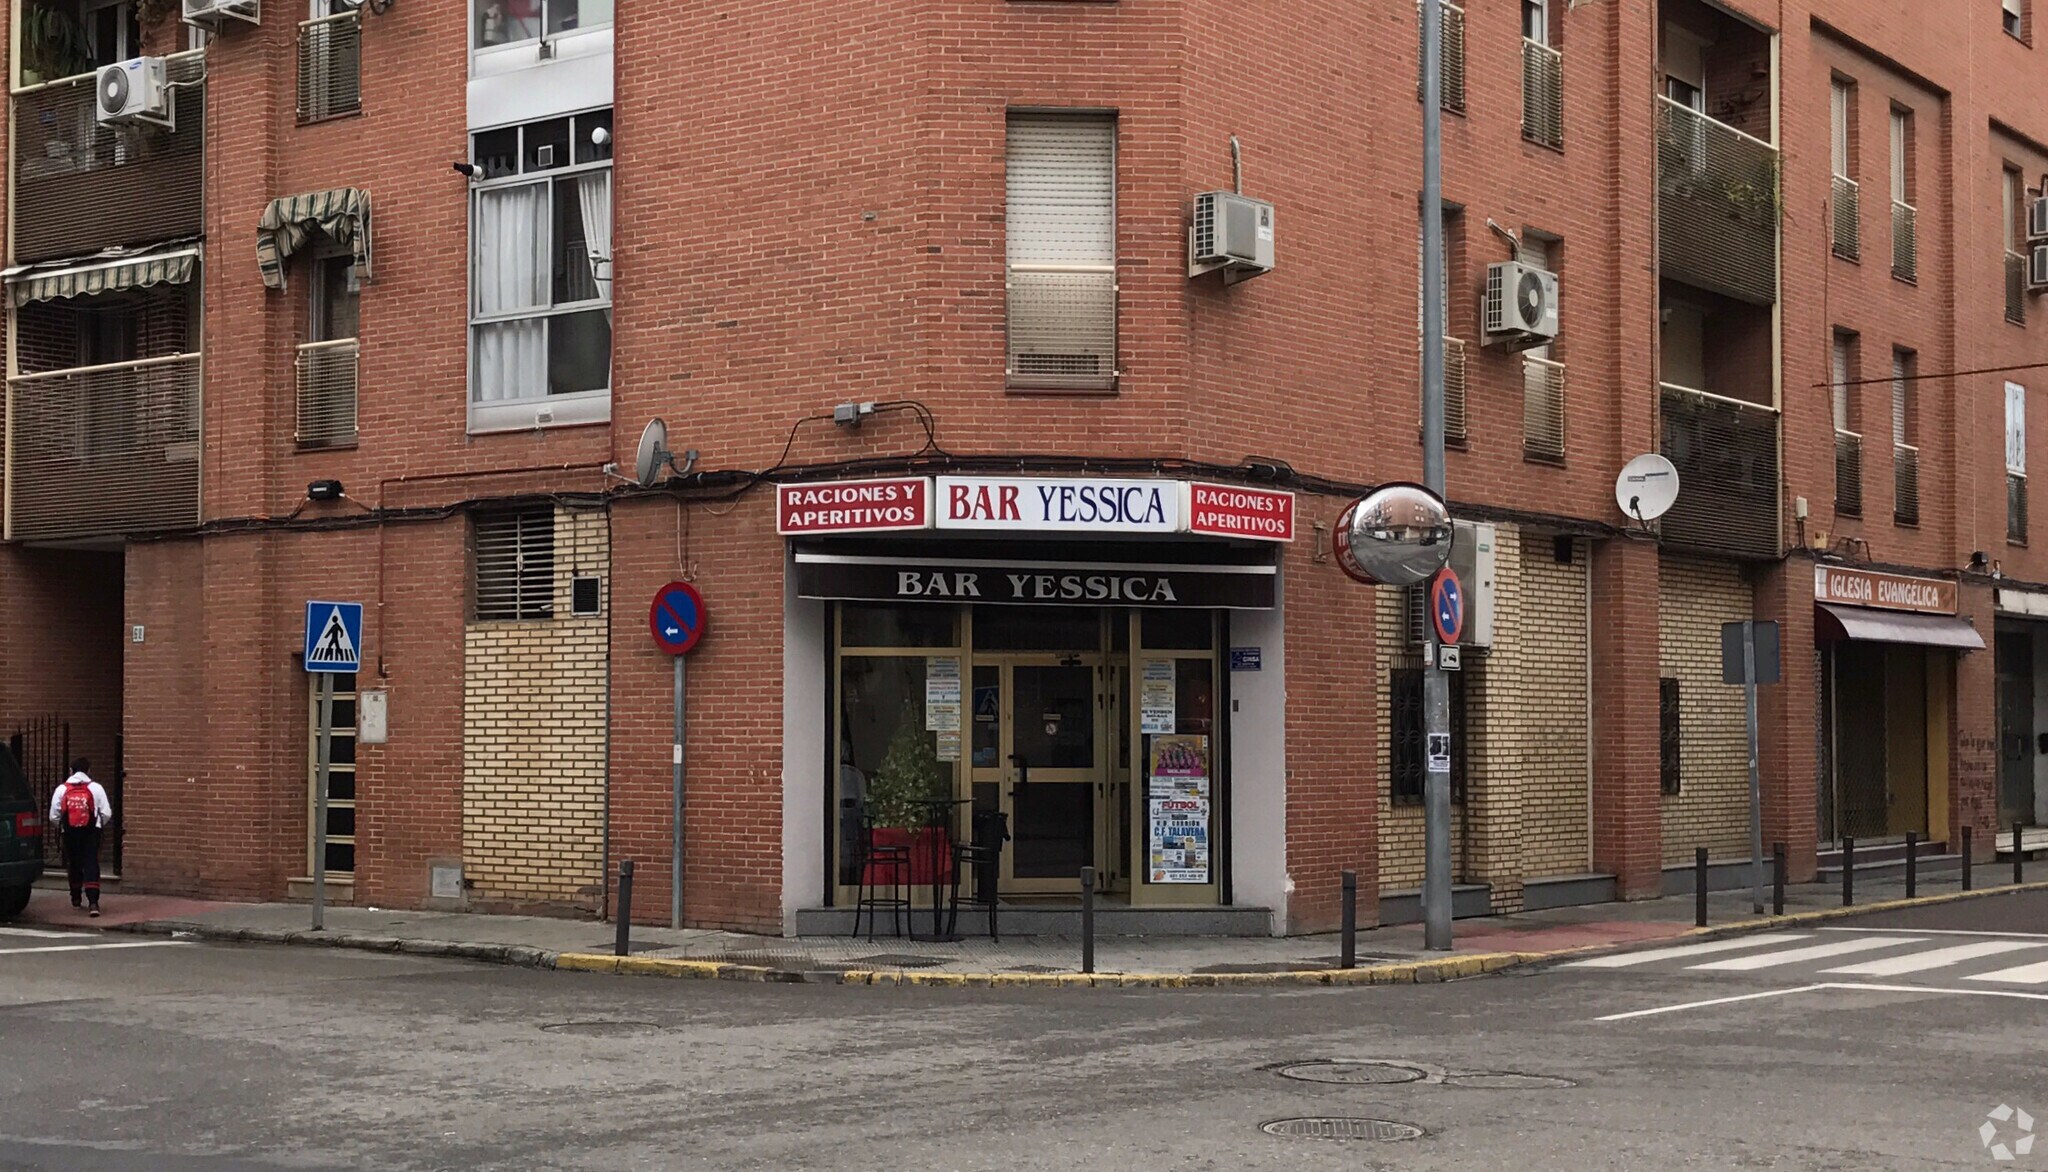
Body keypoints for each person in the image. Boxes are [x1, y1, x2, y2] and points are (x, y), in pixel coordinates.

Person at [49, 759, 112, 917]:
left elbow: (53, 816)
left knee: (74, 863)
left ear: (71, 771)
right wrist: (98, 824)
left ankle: (76, 898)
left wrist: (64, 826)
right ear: (89, 771)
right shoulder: (96, 788)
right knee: (91, 862)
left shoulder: (62, 789)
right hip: (91, 832)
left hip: (69, 832)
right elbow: (106, 812)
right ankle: (93, 903)